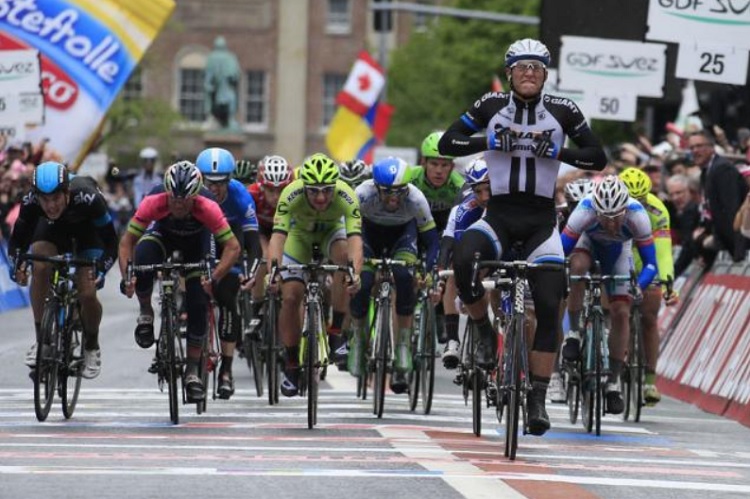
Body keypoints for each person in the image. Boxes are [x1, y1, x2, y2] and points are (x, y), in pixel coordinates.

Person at [438, 38, 607, 435]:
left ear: (546, 74)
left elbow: (597, 157)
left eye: (536, 67)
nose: (528, 73)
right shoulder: (491, 105)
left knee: (549, 305)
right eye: (521, 67)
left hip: (539, 223)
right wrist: (491, 141)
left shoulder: (563, 110)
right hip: (498, 217)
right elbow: (448, 143)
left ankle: (537, 399)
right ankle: (481, 331)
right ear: (510, 72)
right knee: (464, 260)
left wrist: (558, 152)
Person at [118, 161, 241, 401]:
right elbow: (127, 242)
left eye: (184, 200)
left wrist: (214, 278)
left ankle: (193, 371)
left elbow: (233, 247)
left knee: (197, 299)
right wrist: (128, 277)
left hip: (198, 244)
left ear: (195, 197)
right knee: (143, 257)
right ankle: (146, 312)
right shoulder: (154, 201)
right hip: (163, 236)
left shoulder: (208, 206)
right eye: (173, 198)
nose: (178, 204)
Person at [9, 162, 118, 380]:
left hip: (87, 235)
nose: (51, 206)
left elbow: (111, 242)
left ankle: (91, 345)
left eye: (56, 198)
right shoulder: (30, 201)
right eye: (45, 199)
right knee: (39, 265)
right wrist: (18, 265)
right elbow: (18, 240)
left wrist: (101, 269)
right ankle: (42, 340)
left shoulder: (88, 198)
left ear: (67, 192)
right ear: (36, 196)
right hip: (52, 232)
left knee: (87, 292)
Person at [561, 176, 658, 415]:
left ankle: (613, 381)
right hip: (588, 242)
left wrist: (639, 286)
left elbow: (651, 265)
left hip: (619, 250)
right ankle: (573, 332)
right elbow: (561, 251)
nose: (611, 223)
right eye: (605, 217)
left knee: (621, 311)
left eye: (616, 217)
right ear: (596, 211)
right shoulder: (584, 211)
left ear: (626, 208)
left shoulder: (638, 216)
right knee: (577, 268)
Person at [268, 153, 363, 397]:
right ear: (304, 188)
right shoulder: (290, 193)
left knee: (344, 261)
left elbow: (355, 241)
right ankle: (290, 364)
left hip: (332, 233)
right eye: (314, 191)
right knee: (290, 298)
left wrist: (355, 273)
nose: (321, 197)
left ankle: (336, 333)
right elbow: (278, 237)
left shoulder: (346, 196)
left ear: (335, 187)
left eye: (326, 191)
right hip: (299, 237)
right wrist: (273, 272)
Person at [348, 156, 439, 393]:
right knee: (364, 281)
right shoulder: (362, 194)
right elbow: (347, 232)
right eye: (387, 192)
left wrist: (428, 270)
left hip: (402, 236)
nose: (393, 198)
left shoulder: (416, 199)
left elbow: (431, 241)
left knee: (404, 276)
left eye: (399, 192)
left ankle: (402, 346)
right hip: (369, 235)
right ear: (376, 187)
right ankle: (358, 339)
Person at [195, 147, 262, 399]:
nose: (214, 189)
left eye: (221, 183)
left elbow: (254, 243)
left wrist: (251, 271)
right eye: (208, 183)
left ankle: (226, 369)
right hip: (202, 238)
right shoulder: (193, 193)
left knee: (227, 296)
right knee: (194, 285)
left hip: (231, 244)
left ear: (229, 180)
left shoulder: (240, 196)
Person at [619, 167, 679, 405]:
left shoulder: (657, 209)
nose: (638, 205)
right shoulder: (610, 202)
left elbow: (663, 252)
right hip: (621, 251)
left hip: (647, 255)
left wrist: (667, 284)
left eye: (641, 200)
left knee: (649, 317)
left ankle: (650, 381)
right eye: (633, 200)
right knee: (618, 309)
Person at [408, 131, 466, 350]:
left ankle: (440, 312)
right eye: (434, 164)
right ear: (423, 162)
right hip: (416, 226)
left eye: (445, 165)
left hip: (444, 228)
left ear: (452, 167)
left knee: (445, 266)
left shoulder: (459, 185)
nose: (439, 171)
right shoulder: (411, 178)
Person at [437, 157, 491, 369]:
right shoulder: (463, 208)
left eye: (489, 190)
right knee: (454, 271)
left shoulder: (507, 203)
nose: (485, 197)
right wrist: (440, 271)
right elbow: (449, 243)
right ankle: (452, 340)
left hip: (496, 250)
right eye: (478, 192)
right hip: (471, 246)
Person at [547, 176, 594, 404]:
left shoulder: (598, 215)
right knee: (554, 313)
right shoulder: (559, 216)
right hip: (565, 259)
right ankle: (554, 374)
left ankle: (588, 334)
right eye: (575, 206)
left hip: (590, 257)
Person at [688, 131, 748, 261]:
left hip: (736, 245)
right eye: (692, 147)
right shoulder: (706, 171)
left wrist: (736, 250)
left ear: (712, 147)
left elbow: (731, 210)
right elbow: (709, 208)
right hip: (723, 241)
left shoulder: (722, 169)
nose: (695, 151)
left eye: (699, 146)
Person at [247, 155, 293, 315]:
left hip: (284, 231)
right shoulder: (251, 194)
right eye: (270, 190)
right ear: (261, 187)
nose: (276, 196)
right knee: (264, 257)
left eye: (281, 190)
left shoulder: (294, 196)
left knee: (284, 259)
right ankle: (257, 307)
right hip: (261, 230)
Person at [667, 173, 702, 276]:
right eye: (671, 194)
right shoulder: (679, 213)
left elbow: (688, 247)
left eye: (679, 193)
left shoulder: (690, 211)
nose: (675, 198)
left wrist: (673, 273)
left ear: (690, 191)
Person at [204, 36, 241, 130]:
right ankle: (228, 120)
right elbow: (236, 75)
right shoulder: (230, 57)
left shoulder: (212, 57)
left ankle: (225, 120)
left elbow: (208, 76)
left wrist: (208, 84)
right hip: (224, 88)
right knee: (229, 100)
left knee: (223, 101)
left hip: (220, 89)